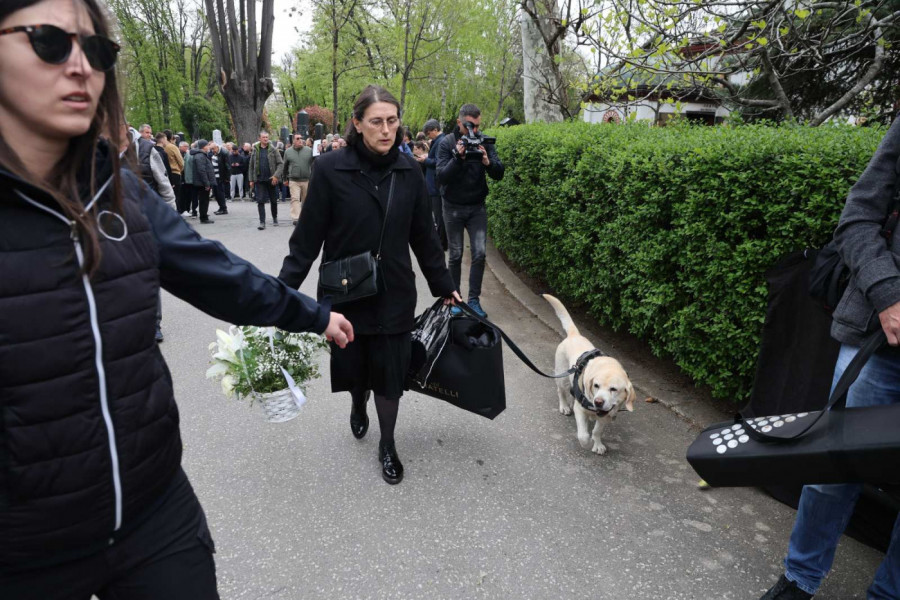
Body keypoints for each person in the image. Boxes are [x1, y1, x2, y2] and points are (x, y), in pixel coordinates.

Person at [0, 1, 354, 597]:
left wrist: (313, 316)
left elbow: (218, 274)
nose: (82, 67)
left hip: (153, 512)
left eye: (97, 51)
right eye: (50, 42)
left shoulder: (121, 193)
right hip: (23, 548)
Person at [278, 85, 461, 485]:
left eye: (392, 121)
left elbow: (424, 237)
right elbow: (306, 240)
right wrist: (280, 293)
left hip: (394, 290)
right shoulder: (329, 169)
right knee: (355, 368)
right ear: (357, 124)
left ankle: (389, 444)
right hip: (346, 294)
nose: (386, 130)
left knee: (391, 374)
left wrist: (444, 284)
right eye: (376, 122)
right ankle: (357, 404)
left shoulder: (408, 171)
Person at [759, 117, 900, 600]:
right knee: (833, 466)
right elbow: (858, 216)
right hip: (880, 342)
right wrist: (887, 295)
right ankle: (799, 581)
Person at [436, 103, 504, 318]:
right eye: (469, 126)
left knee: (480, 254)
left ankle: (474, 301)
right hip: (453, 207)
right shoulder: (447, 143)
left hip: (476, 207)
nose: (473, 131)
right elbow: (441, 177)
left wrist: (486, 161)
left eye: (477, 126)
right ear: (459, 122)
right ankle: (457, 300)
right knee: (455, 255)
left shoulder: (484, 140)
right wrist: (458, 157)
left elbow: (499, 173)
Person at [416, 119, 447, 251]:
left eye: (429, 133)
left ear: (435, 130)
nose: (428, 136)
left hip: (436, 184)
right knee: (438, 215)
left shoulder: (441, 141)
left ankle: (441, 243)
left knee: (439, 216)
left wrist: (425, 159)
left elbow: (438, 162)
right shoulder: (440, 140)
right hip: (434, 183)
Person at [248, 130, 283, 230]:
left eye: (267, 137)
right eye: (263, 137)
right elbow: (251, 166)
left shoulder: (273, 149)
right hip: (259, 180)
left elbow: (281, 164)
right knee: (260, 201)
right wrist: (251, 179)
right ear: (259, 138)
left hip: (271, 179)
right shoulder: (255, 149)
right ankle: (262, 222)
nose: (266, 139)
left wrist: (276, 176)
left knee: (273, 200)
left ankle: (275, 218)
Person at [282, 133, 313, 226]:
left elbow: (317, 161)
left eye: (301, 138)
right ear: (293, 141)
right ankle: (296, 218)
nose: (300, 140)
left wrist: (319, 151)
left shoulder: (309, 150)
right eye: (298, 138)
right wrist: (284, 178)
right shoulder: (288, 152)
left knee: (306, 199)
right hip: (293, 180)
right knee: (295, 199)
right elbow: (285, 166)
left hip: (306, 179)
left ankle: (305, 217)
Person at [190, 139, 215, 224]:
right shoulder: (200, 156)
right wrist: (207, 183)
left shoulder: (201, 155)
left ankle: (204, 215)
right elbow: (202, 170)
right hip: (202, 183)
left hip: (202, 182)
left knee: (204, 200)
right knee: (204, 200)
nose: (209, 147)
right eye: (208, 145)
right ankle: (203, 217)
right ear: (204, 146)